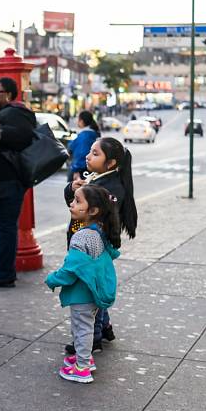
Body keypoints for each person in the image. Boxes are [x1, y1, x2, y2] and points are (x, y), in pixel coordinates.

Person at [64, 137, 137, 353]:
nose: (88, 156)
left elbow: (86, 212)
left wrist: (82, 193)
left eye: (95, 153)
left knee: (89, 293)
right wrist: (74, 189)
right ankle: (105, 327)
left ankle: (92, 340)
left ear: (111, 163)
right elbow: (76, 207)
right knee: (95, 290)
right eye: (90, 151)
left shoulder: (109, 188)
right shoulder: (97, 180)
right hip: (88, 246)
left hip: (92, 251)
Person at [46, 185, 120, 383]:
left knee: (82, 328)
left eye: (78, 201)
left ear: (93, 211)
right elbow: (112, 254)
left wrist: (52, 279)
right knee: (84, 326)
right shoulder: (99, 231)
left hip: (83, 293)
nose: (72, 203)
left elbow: (71, 270)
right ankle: (83, 357)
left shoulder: (82, 236)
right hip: (93, 291)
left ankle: (82, 367)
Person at [0, 77, 35, 288]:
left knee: (4, 228)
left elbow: (20, 138)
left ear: (10, 94)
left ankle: (5, 274)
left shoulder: (14, 114)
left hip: (7, 182)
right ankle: (4, 271)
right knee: (4, 228)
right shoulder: (12, 113)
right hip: (7, 181)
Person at [68, 110, 101, 181]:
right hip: (89, 170)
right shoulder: (92, 134)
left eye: (78, 119)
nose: (76, 121)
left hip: (81, 171)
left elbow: (81, 154)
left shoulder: (84, 137)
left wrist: (76, 170)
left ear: (82, 121)